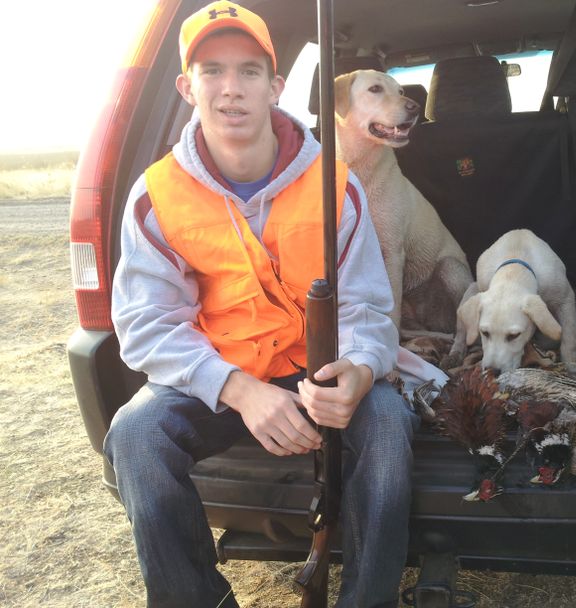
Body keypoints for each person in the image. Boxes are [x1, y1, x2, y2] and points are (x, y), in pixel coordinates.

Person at [103, 2, 419, 606]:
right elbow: (146, 325)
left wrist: (357, 370)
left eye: (249, 71)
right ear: (185, 86)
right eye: (212, 70)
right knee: (135, 433)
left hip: (321, 371)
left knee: (387, 424)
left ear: (275, 87)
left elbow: (369, 310)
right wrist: (242, 392)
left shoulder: (336, 183)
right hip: (221, 378)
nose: (231, 89)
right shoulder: (155, 195)